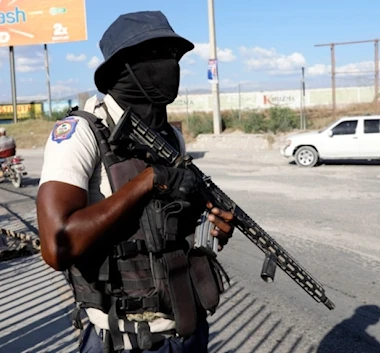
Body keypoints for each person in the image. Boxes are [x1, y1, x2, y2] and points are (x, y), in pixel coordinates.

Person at [36, 10, 236, 353]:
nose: (169, 65)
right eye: (155, 55)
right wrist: (145, 182)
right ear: (122, 67)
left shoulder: (171, 136)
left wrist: (211, 229)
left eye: (173, 56)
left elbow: (171, 232)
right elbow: (57, 248)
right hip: (123, 340)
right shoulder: (81, 133)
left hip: (187, 329)